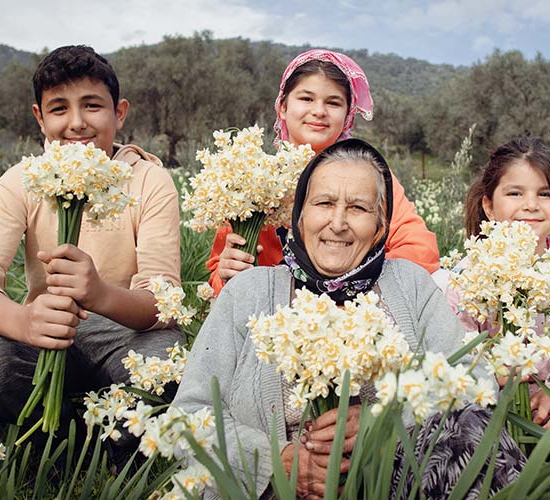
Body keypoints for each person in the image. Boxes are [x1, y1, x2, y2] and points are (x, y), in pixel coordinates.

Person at [176, 139, 524, 500]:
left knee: (474, 430)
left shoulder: (409, 284)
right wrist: (277, 463)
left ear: (379, 225)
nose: (338, 223)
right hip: (272, 490)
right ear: (300, 217)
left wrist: (384, 423)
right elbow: (188, 415)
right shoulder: (248, 291)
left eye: (358, 207)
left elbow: (474, 379)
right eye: (324, 203)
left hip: (394, 479)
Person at [0, 45, 184, 428]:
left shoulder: (149, 181)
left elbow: (164, 303)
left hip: (124, 335)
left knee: (168, 359)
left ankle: (116, 444)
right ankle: (61, 436)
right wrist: (22, 322)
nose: (76, 123)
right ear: (40, 118)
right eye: (59, 109)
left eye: (92, 106)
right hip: (44, 331)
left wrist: (100, 294)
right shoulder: (22, 181)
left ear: (119, 113)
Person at [205, 49, 439, 295]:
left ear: (348, 115)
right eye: (306, 99)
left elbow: (419, 248)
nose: (319, 111)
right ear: (283, 107)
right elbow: (219, 277)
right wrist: (227, 273)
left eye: (333, 102)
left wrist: (358, 292)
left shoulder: (373, 177)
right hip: (269, 317)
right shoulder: (254, 181)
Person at [447, 135, 550, 434]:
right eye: (515, 193)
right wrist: (491, 375)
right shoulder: (469, 273)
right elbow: (454, 346)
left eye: (545, 194)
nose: (531, 206)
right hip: (489, 402)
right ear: (488, 206)